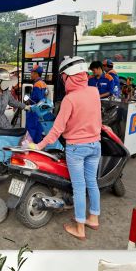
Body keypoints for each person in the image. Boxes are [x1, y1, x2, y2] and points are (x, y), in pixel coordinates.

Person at [28, 56, 103, 241]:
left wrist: (38, 145)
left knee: (79, 188)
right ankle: (93, 218)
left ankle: (80, 228)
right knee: (92, 183)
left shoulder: (70, 99)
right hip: (95, 145)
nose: (63, 80)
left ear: (69, 76)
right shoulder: (94, 91)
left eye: (63, 77)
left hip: (77, 148)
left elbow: (56, 130)